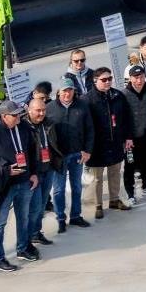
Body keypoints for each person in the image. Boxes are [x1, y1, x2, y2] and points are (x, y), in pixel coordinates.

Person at [0, 100, 42, 271]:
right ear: (4, 116)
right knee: (0, 223)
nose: (18, 117)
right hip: (5, 186)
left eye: (19, 113)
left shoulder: (24, 128)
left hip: (25, 182)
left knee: (24, 218)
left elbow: (32, 152)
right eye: (14, 115)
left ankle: (22, 249)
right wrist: (5, 170)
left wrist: (34, 173)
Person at [45, 81, 92, 231]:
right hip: (58, 157)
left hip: (77, 154)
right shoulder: (49, 108)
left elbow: (90, 129)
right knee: (58, 189)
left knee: (76, 187)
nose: (67, 93)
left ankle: (76, 216)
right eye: (64, 90)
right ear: (59, 92)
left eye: (70, 90)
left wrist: (87, 150)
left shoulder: (82, 106)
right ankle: (60, 218)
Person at [87, 70, 134, 217]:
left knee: (115, 173)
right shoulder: (87, 100)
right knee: (97, 178)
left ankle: (114, 200)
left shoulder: (118, 95)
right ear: (95, 81)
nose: (108, 82)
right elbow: (85, 126)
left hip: (115, 142)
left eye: (110, 78)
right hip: (97, 146)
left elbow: (127, 117)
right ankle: (98, 205)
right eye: (104, 80)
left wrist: (128, 137)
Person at [119, 64, 146, 199]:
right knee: (130, 165)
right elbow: (122, 119)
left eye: (141, 77)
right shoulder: (124, 95)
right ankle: (130, 193)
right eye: (136, 77)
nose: (139, 80)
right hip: (132, 138)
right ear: (130, 78)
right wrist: (127, 137)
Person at [23, 98, 59, 250]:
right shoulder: (23, 127)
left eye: (43, 110)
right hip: (34, 173)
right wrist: (30, 172)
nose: (41, 113)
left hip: (48, 169)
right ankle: (29, 236)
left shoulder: (48, 123)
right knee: (35, 206)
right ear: (29, 110)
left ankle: (36, 232)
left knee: (43, 204)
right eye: (38, 110)